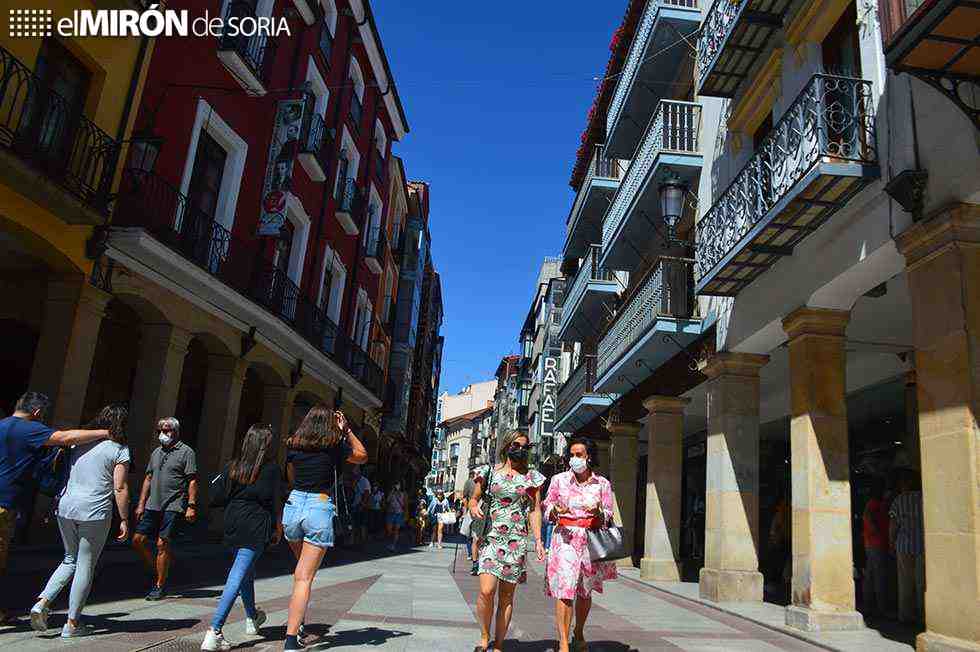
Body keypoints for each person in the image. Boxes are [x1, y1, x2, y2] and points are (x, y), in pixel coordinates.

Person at [0, 391, 112, 625]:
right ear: (37, 412)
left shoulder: (3, 425)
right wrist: (106, 433)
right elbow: (65, 438)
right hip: (3, 504)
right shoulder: (28, 428)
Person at [30, 405, 130, 638]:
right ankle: (72, 624)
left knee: (69, 559)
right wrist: (124, 518)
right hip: (94, 511)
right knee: (85, 564)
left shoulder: (78, 443)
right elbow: (120, 487)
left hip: (65, 506)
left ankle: (42, 602)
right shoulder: (119, 449)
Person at [282, 406, 367, 651]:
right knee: (304, 577)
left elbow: (290, 476)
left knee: (300, 573)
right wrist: (347, 430)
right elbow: (361, 455)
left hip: (294, 504)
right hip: (319, 507)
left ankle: (298, 626)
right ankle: (290, 640)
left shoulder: (294, 445)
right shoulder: (335, 448)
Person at [201, 424, 282, 651]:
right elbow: (276, 502)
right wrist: (278, 528)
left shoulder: (234, 466)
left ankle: (252, 618)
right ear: (265, 446)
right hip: (256, 523)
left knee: (246, 571)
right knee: (237, 574)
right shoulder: (272, 469)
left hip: (233, 520)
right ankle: (214, 630)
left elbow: (218, 494)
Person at [468, 431, 545, 652]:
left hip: (516, 540)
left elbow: (534, 510)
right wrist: (473, 506)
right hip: (491, 537)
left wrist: (538, 540)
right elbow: (474, 498)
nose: (520, 449)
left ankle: (499, 644)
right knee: (486, 590)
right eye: (516, 445)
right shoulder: (488, 472)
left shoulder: (532, 477)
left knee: (507, 595)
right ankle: (485, 636)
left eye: (525, 446)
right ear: (506, 445)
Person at [543, 437, 617, 652]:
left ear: (589, 457)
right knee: (564, 590)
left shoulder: (602, 483)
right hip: (565, 539)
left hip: (590, 540)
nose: (574, 459)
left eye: (579, 455)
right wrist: (556, 511)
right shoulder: (559, 480)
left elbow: (609, 513)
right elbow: (547, 506)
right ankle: (564, 642)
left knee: (585, 591)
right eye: (572, 455)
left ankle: (579, 631)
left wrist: (599, 513)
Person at [132, 417, 198, 601]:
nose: (163, 434)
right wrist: (141, 504)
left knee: (162, 544)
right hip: (153, 504)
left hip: (174, 504)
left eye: (167, 430)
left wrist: (191, 506)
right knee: (138, 540)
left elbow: (192, 480)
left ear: (176, 432)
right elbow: (148, 478)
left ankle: (159, 584)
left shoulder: (186, 452)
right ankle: (159, 567)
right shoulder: (156, 452)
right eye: (160, 430)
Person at [889, 469, 925, 625]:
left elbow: (893, 525)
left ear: (905, 484)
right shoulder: (924, 498)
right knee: (921, 582)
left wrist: (891, 542)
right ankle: (922, 616)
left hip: (903, 545)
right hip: (922, 545)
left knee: (905, 582)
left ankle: (905, 616)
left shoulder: (898, 500)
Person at [862, 477, 890, 622]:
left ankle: (869, 606)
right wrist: (878, 532)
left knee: (871, 576)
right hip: (877, 544)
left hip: (872, 543)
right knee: (878, 576)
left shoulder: (873, 503)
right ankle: (881, 608)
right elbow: (868, 519)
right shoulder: (874, 504)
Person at [350, 465, 371, 544]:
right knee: (354, 523)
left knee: (362, 524)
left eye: (356, 469)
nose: (354, 471)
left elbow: (366, 493)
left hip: (361, 505)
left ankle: (363, 541)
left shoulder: (364, 481)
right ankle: (353, 541)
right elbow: (352, 489)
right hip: (355, 504)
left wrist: (362, 504)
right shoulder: (355, 480)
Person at [385, 482, 406, 552]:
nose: (397, 486)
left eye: (398, 485)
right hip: (391, 513)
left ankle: (393, 545)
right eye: (396, 484)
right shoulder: (391, 493)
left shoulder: (403, 494)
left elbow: (404, 504)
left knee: (396, 530)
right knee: (389, 530)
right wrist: (392, 492)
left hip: (399, 513)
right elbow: (387, 500)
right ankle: (390, 542)